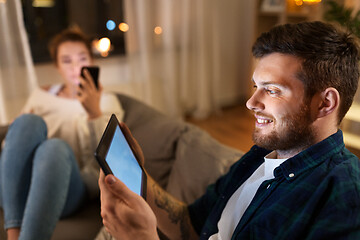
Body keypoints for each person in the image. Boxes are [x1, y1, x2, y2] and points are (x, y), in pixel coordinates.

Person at [98, 20, 360, 240]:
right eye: (255, 86)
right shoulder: (260, 156)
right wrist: (139, 178)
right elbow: (191, 225)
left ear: (325, 103)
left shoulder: (345, 197)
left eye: (271, 90)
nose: (251, 102)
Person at [0, 28, 124, 240]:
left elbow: (107, 163)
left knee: (54, 148)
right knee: (28, 121)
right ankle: (14, 234)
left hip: (70, 184)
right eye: (67, 61)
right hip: (24, 180)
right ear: (57, 66)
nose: (76, 67)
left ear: (92, 62)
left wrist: (94, 113)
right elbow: (14, 146)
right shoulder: (41, 95)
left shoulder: (108, 102)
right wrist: (18, 130)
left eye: (82, 58)